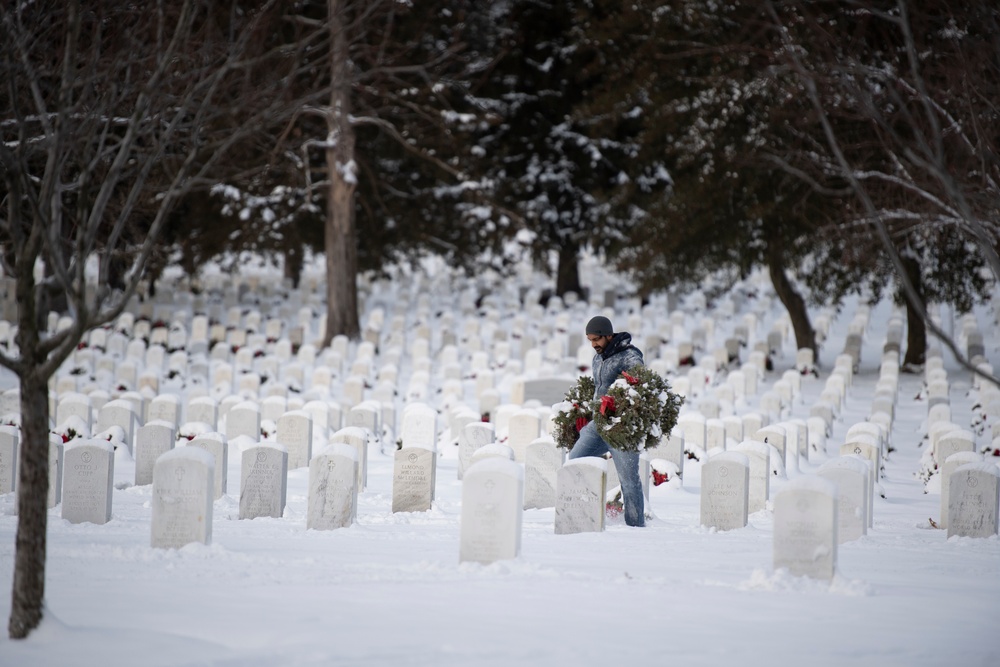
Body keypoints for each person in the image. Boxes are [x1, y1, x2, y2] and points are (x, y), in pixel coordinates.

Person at [569, 315, 646, 527]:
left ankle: (635, 526)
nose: (593, 344)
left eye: (597, 339)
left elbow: (638, 385)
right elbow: (598, 388)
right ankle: (580, 517)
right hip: (598, 425)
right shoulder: (598, 357)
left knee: (629, 481)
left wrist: (617, 406)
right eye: (590, 340)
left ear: (608, 335)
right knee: (574, 462)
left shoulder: (629, 357)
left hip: (621, 428)